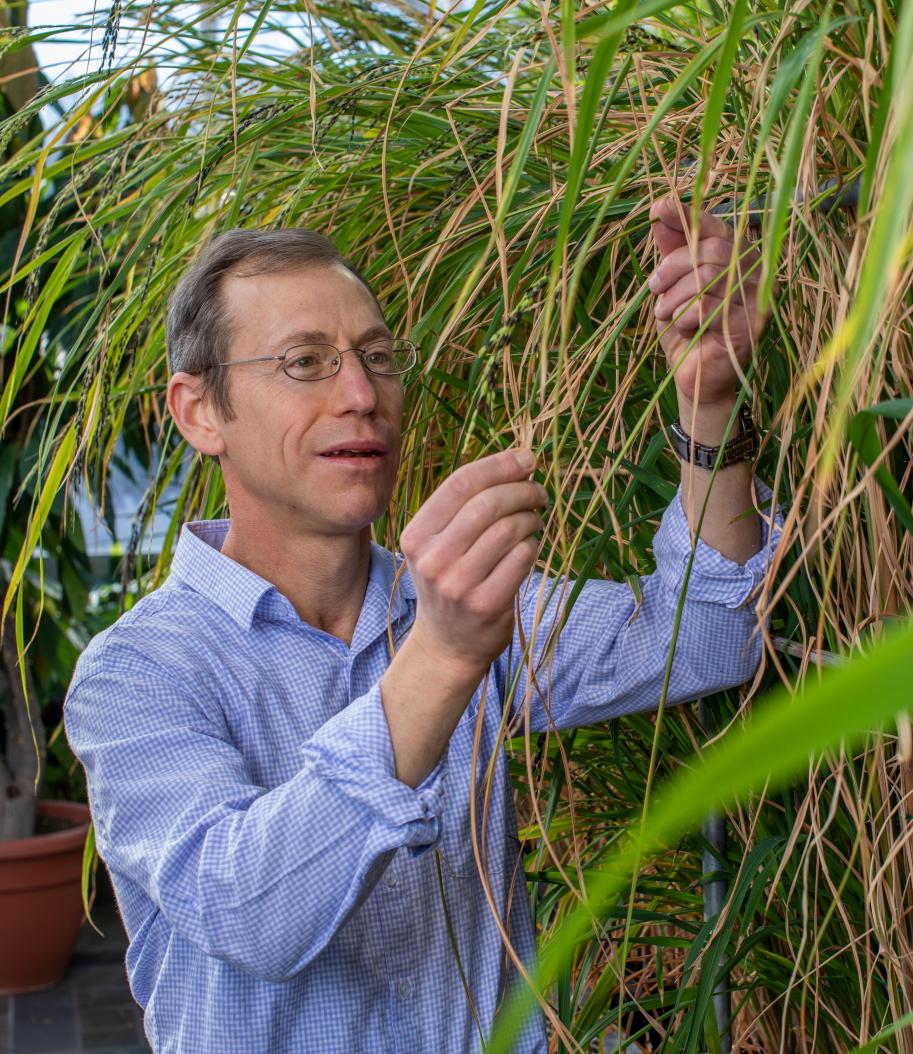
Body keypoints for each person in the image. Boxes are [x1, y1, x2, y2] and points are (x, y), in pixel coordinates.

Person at [63, 199, 784, 1053]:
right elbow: (250, 911)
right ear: (199, 412)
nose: (363, 396)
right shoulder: (137, 672)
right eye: (305, 363)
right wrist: (442, 658)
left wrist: (710, 405)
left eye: (377, 357)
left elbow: (709, 635)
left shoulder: (455, 605)